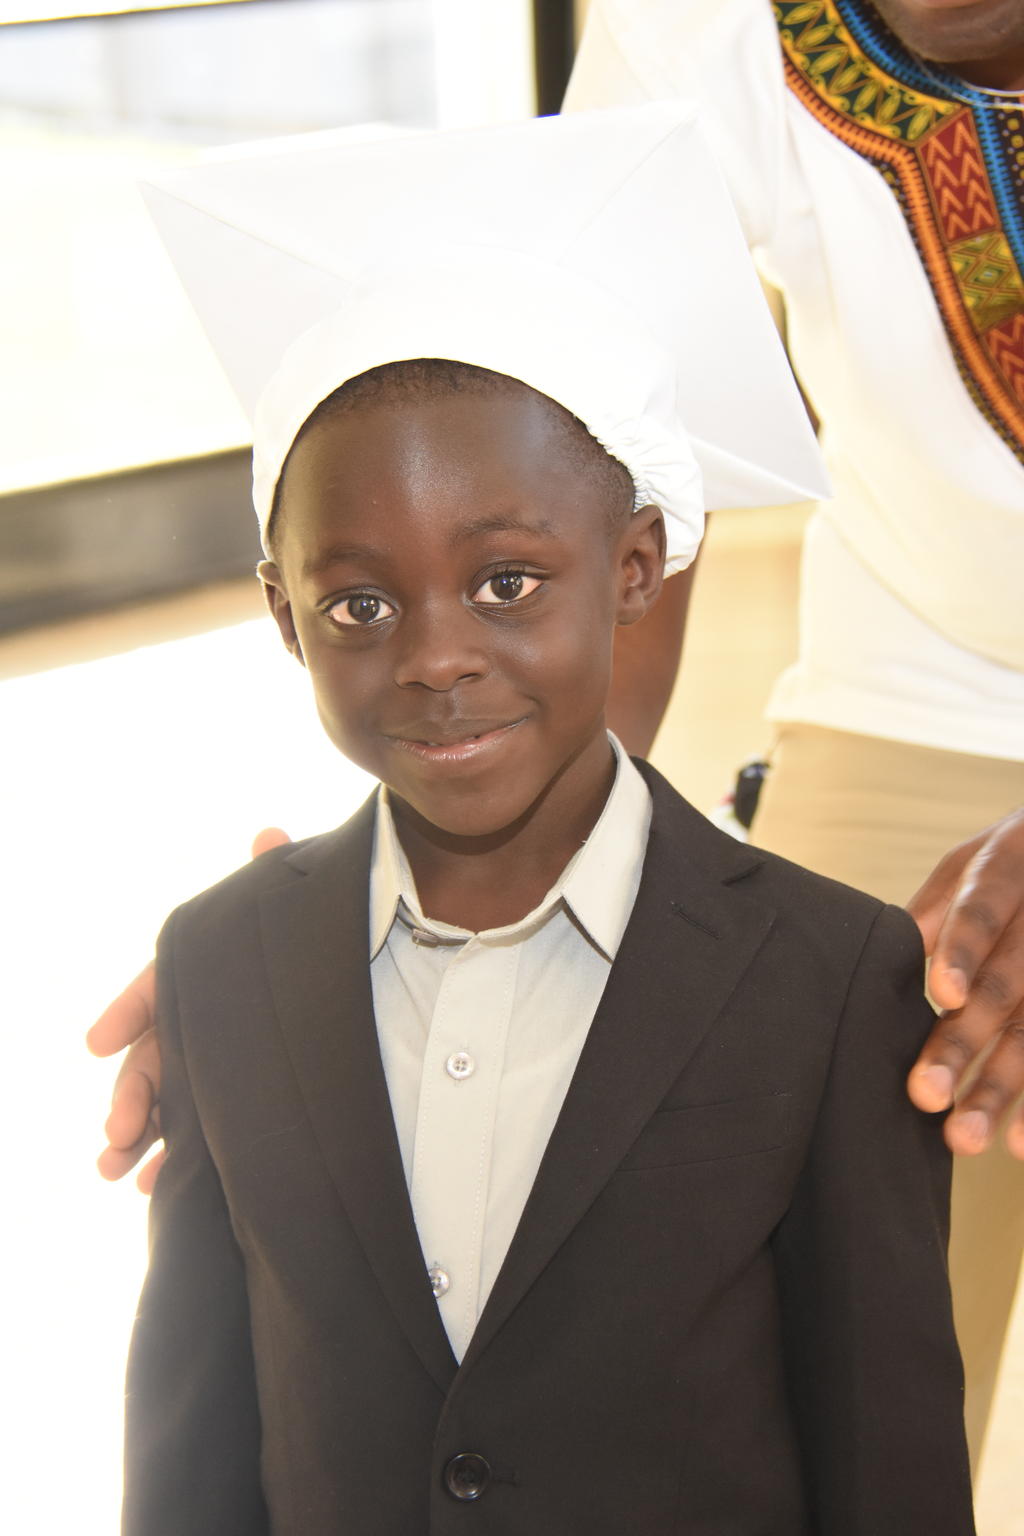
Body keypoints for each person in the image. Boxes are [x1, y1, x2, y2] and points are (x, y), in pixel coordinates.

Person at [121, 107, 973, 1534]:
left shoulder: (829, 980)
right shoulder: (220, 965)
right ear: (283, 616)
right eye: (359, 604)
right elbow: (194, 1445)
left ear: (635, 566)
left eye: (506, 582)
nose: (436, 656)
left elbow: (886, 1461)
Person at [562, 0, 1024, 1466]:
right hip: (927, 674)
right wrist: (489, 883)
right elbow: (610, 441)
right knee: (790, 1316)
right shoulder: (696, 26)